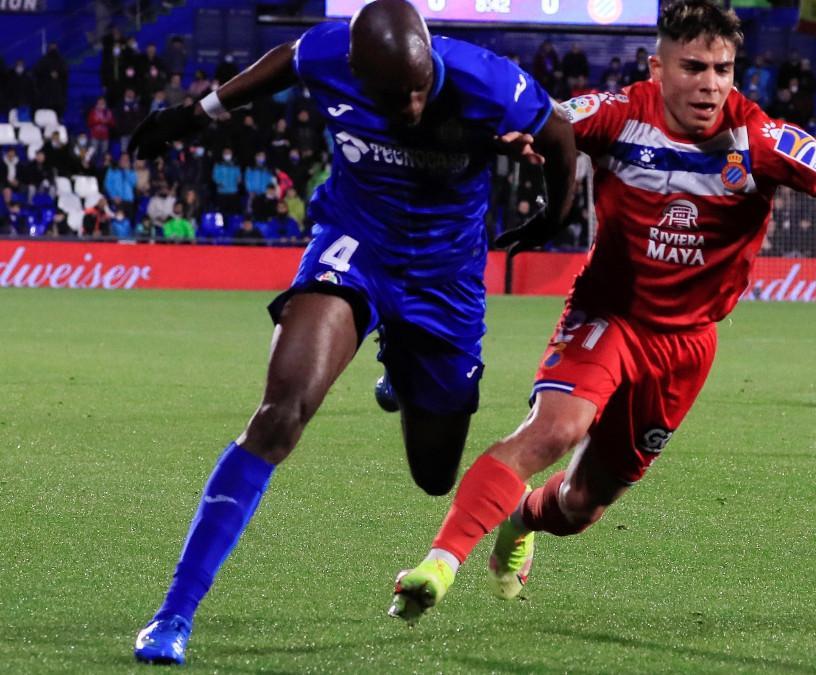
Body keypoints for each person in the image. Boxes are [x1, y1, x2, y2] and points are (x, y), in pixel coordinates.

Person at [388, 0, 816, 624]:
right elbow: (552, 122)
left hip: (686, 348)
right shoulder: (620, 113)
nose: (711, 83)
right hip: (609, 315)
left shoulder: (760, 141)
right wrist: (528, 137)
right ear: (657, 68)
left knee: (581, 505)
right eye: (693, 67)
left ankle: (522, 517)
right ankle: (438, 564)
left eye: (723, 68)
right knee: (556, 430)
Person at [127, 0, 576, 665]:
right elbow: (282, 63)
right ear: (358, 75)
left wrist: (551, 215)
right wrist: (198, 114)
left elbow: (561, 135)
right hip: (354, 245)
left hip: (443, 278)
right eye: (397, 97)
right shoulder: (329, 53)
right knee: (279, 415)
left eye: (423, 87)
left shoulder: (488, 81)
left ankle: (401, 360)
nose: (415, 104)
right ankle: (173, 613)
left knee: (434, 473)